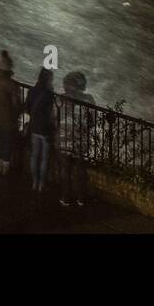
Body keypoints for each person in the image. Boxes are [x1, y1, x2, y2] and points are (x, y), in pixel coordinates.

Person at [58, 71, 97, 206]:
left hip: (63, 139)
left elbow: (54, 118)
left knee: (65, 169)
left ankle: (65, 197)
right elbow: (93, 122)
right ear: (82, 84)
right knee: (80, 170)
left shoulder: (60, 98)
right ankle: (81, 198)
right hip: (81, 141)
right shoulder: (89, 99)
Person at [24, 68, 56, 193]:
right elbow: (51, 115)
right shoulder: (49, 94)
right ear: (48, 79)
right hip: (45, 130)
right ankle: (41, 184)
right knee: (44, 158)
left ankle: (34, 182)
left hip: (34, 128)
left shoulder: (31, 91)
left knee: (34, 155)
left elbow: (27, 109)